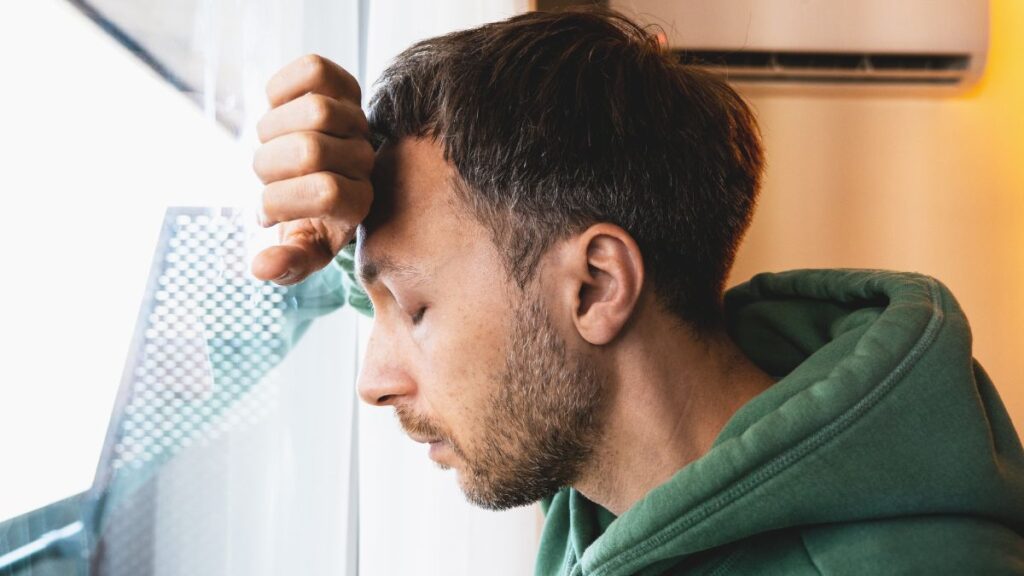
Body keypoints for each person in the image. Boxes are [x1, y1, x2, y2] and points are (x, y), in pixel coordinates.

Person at [249, 8, 1024, 575]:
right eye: (385, 310)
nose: (375, 383)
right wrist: (333, 218)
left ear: (595, 287)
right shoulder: (609, 465)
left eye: (415, 313)